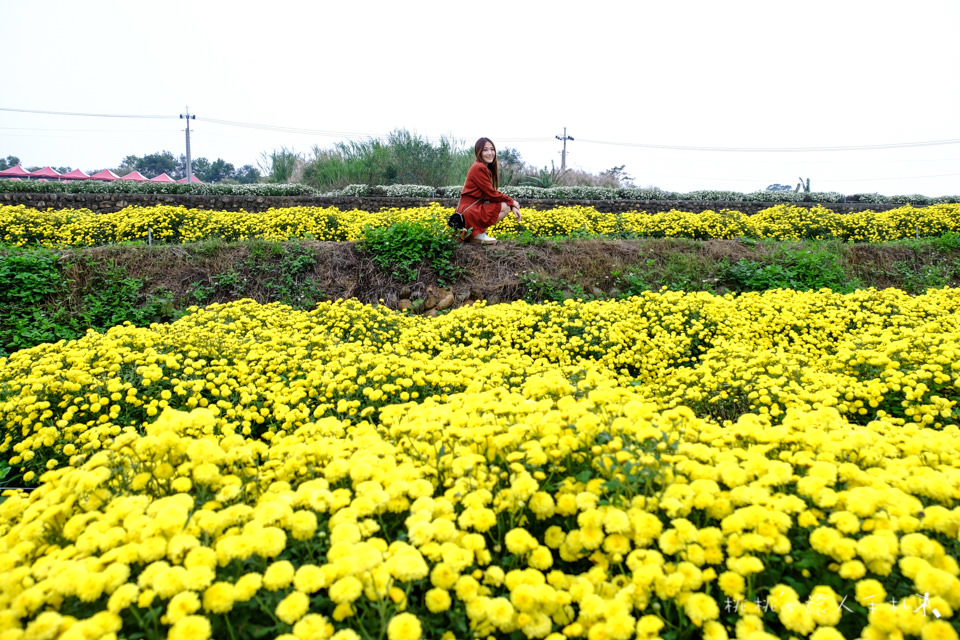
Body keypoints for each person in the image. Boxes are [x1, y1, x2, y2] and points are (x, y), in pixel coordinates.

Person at [456, 137, 522, 245]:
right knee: (505, 206)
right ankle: (477, 234)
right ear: (479, 152)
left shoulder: (482, 167)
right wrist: (512, 202)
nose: (490, 153)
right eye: (485, 150)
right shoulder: (479, 167)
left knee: (506, 205)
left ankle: (475, 235)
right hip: (470, 212)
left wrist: (512, 205)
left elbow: (490, 196)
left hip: (468, 211)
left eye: (492, 149)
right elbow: (492, 194)